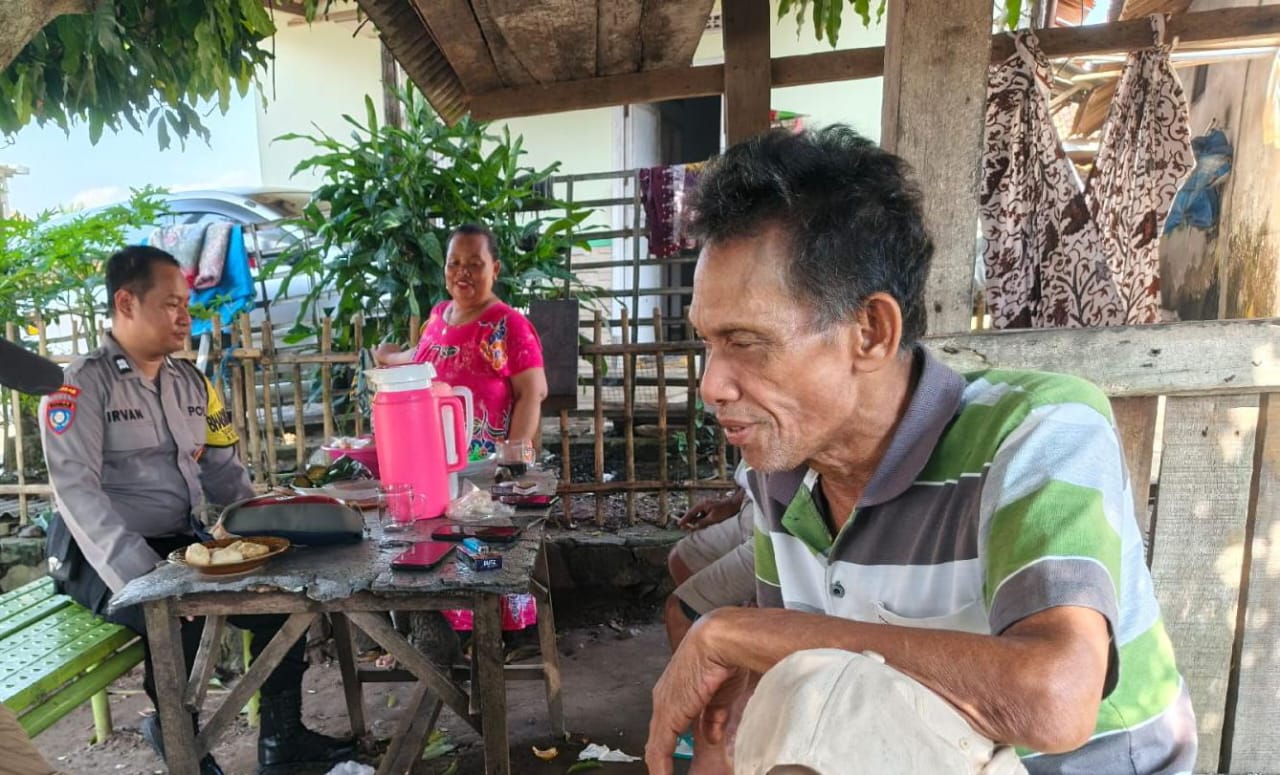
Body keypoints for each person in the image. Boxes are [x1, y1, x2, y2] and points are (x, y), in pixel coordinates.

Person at [644, 127, 1197, 775]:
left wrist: (737, 632)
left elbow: (1055, 702)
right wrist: (731, 715)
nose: (711, 384)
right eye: (709, 342)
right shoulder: (785, 469)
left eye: (746, 341)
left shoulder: (1039, 432)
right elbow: (800, 670)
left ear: (871, 332)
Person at [40, 246, 354, 775]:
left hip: (176, 542)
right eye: (171, 304)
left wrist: (261, 534)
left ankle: (282, 741)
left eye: (186, 304)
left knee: (282, 596)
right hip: (95, 555)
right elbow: (78, 495)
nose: (185, 316)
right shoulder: (78, 386)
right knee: (174, 616)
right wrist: (144, 579)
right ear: (126, 303)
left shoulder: (191, 383)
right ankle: (182, 742)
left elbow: (225, 473)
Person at [374, 224, 548, 635]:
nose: (462, 273)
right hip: (433, 464)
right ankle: (442, 638)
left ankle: (487, 638)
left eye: (474, 264)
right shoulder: (438, 316)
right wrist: (389, 358)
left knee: (480, 556)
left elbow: (533, 392)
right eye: (454, 263)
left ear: (495, 268)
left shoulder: (508, 325)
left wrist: (514, 459)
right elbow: (420, 359)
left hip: (484, 470)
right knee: (436, 551)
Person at [664, 461, 757, 761]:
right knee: (683, 558)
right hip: (751, 513)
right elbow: (757, 473)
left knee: (680, 610)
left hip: (775, 528)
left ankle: (710, 734)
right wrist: (731, 503)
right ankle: (723, 686)